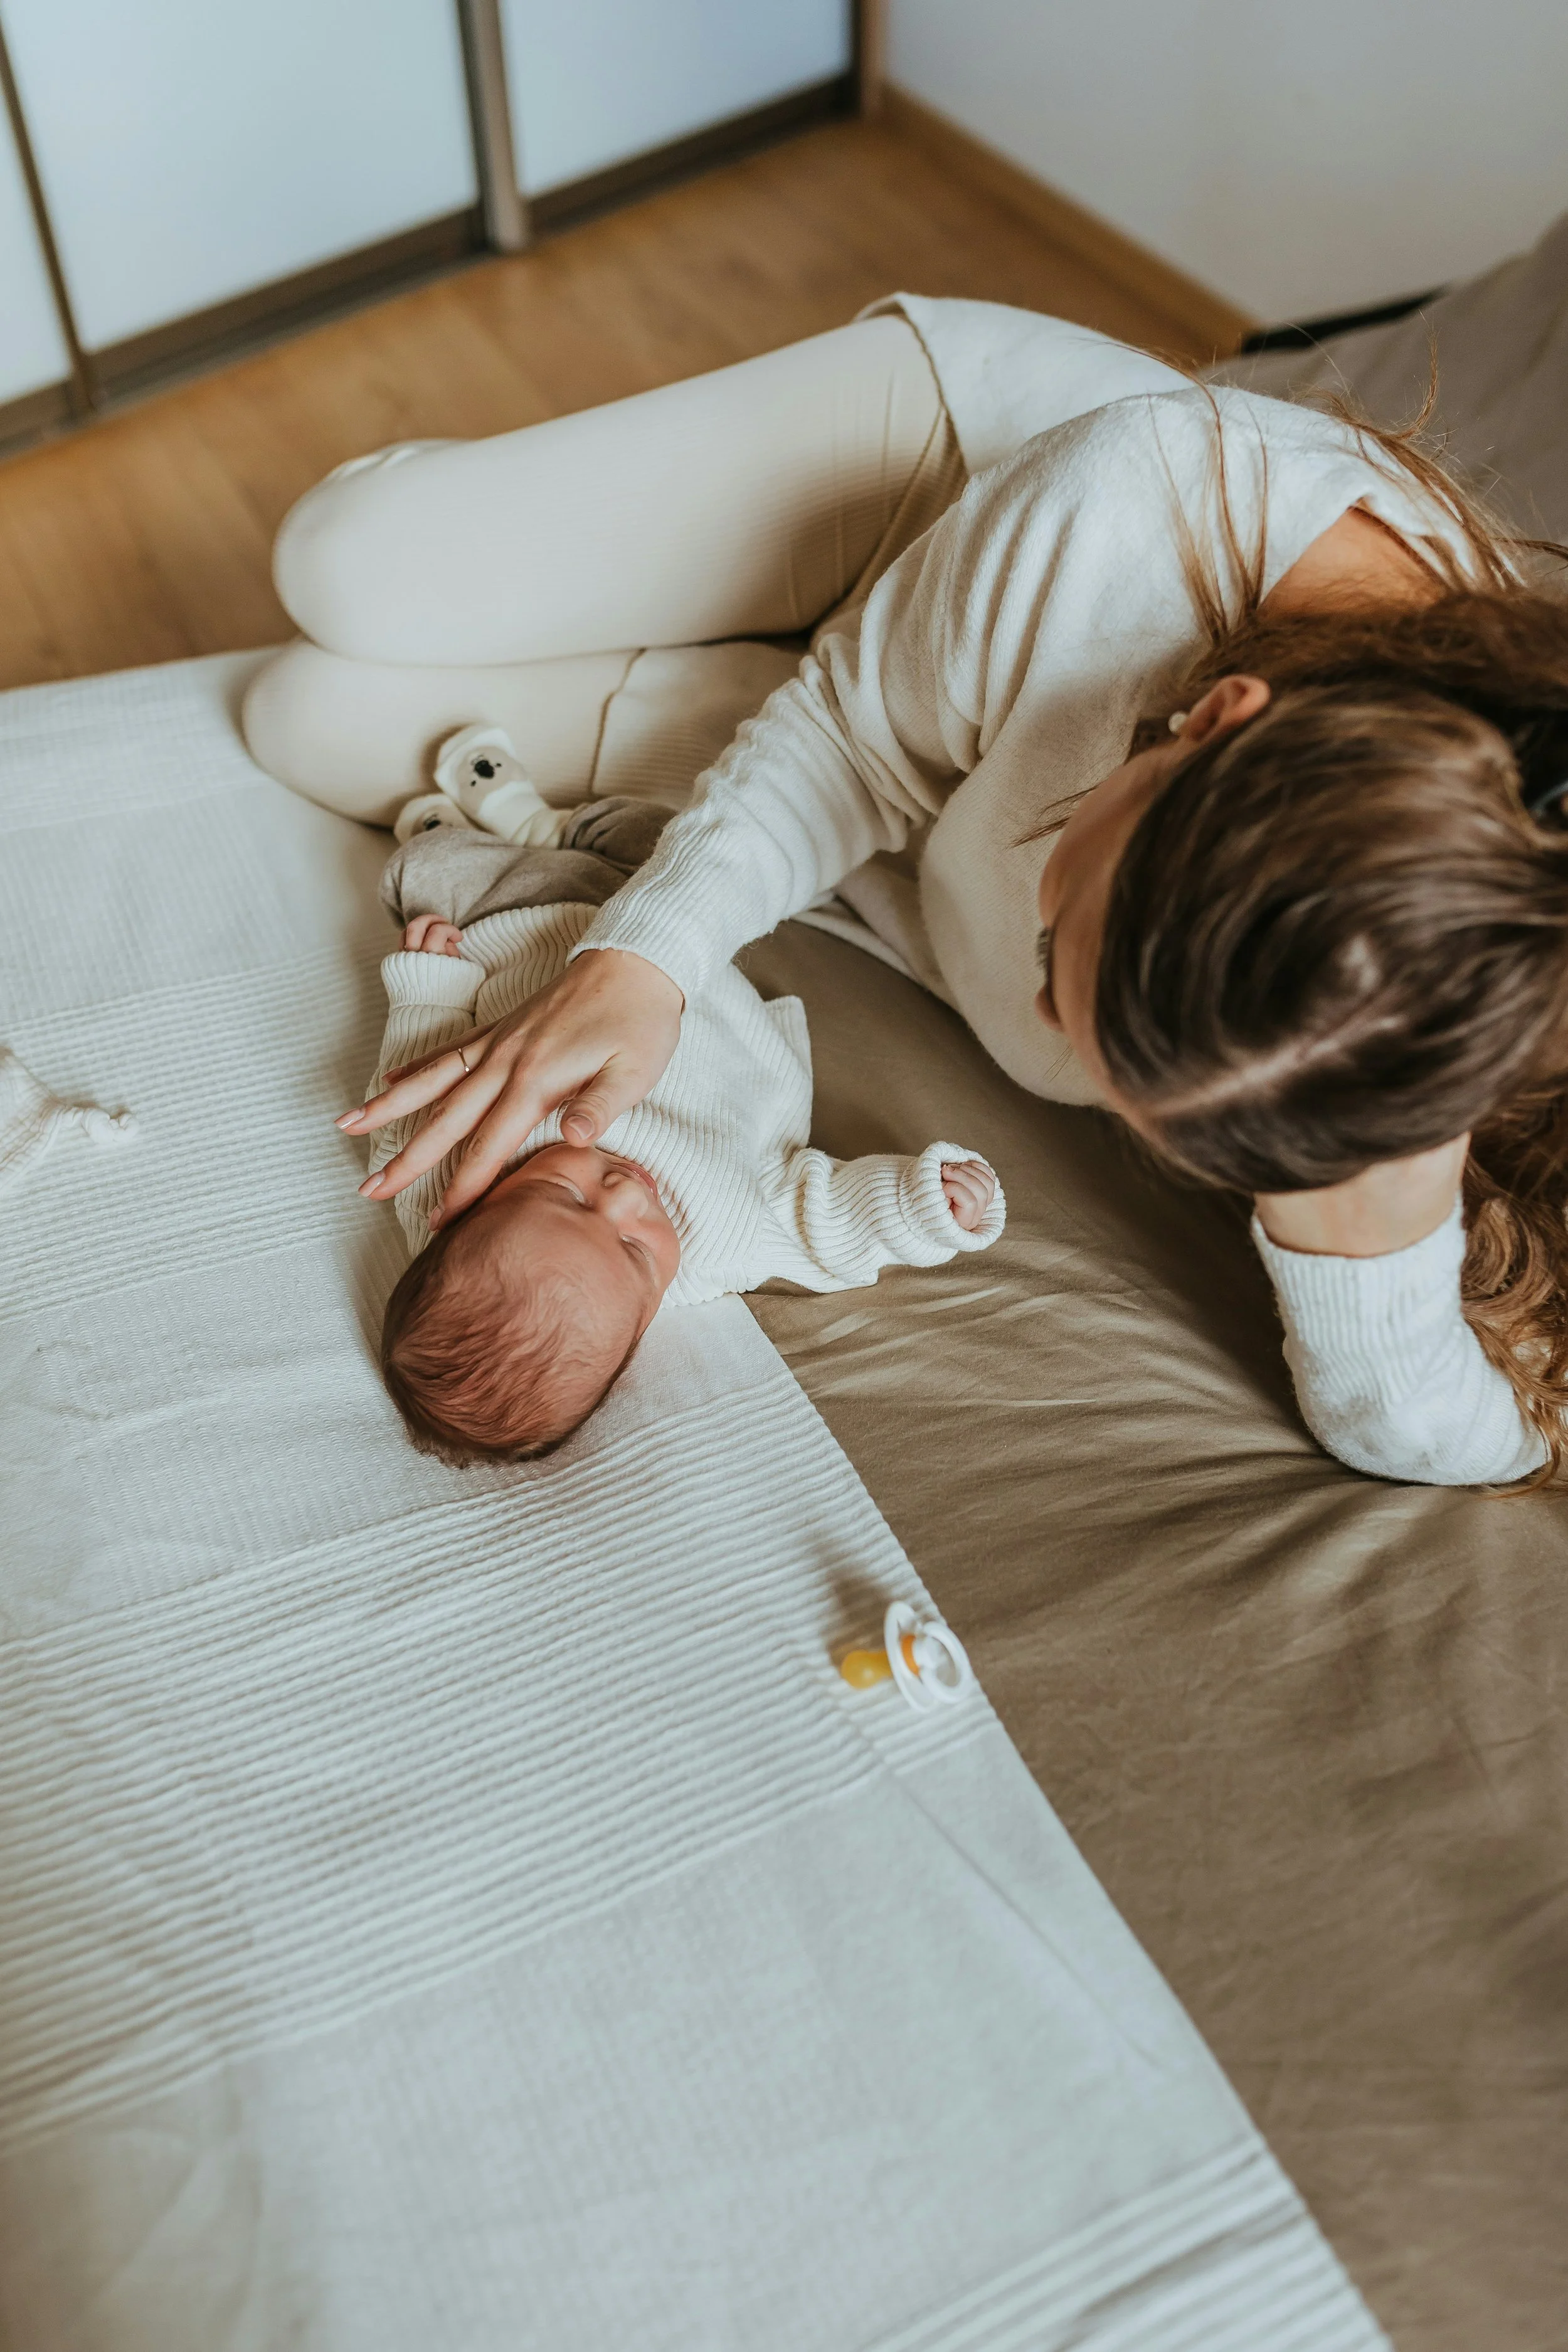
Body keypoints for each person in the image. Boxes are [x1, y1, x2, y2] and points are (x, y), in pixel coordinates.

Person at [244, 299, 1568, 1489]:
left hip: (912, 762)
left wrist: (1373, 1225)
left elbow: (1438, 1431)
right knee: (339, 562)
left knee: (310, 717)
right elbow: (848, 737)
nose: (1039, 1002)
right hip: (954, 507)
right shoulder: (1136, 508)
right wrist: (643, 955)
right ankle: (732, 600)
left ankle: (716, 654)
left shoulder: (1378, 1062)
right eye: (1059, 934)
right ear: (1208, 721)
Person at [359, 753, 1003, 1465]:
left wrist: (430, 983)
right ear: (638, 1334)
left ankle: (516, 821)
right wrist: (919, 1209)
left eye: (566, 1196)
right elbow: (820, 1226)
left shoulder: (439, 1179)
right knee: (652, 840)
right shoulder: (717, 1245)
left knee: (426, 870)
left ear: (462, 1215)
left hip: (526, 916)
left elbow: (412, 1090)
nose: (624, 1196)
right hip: (679, 954)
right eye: (634, 1250)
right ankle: (530, 816)